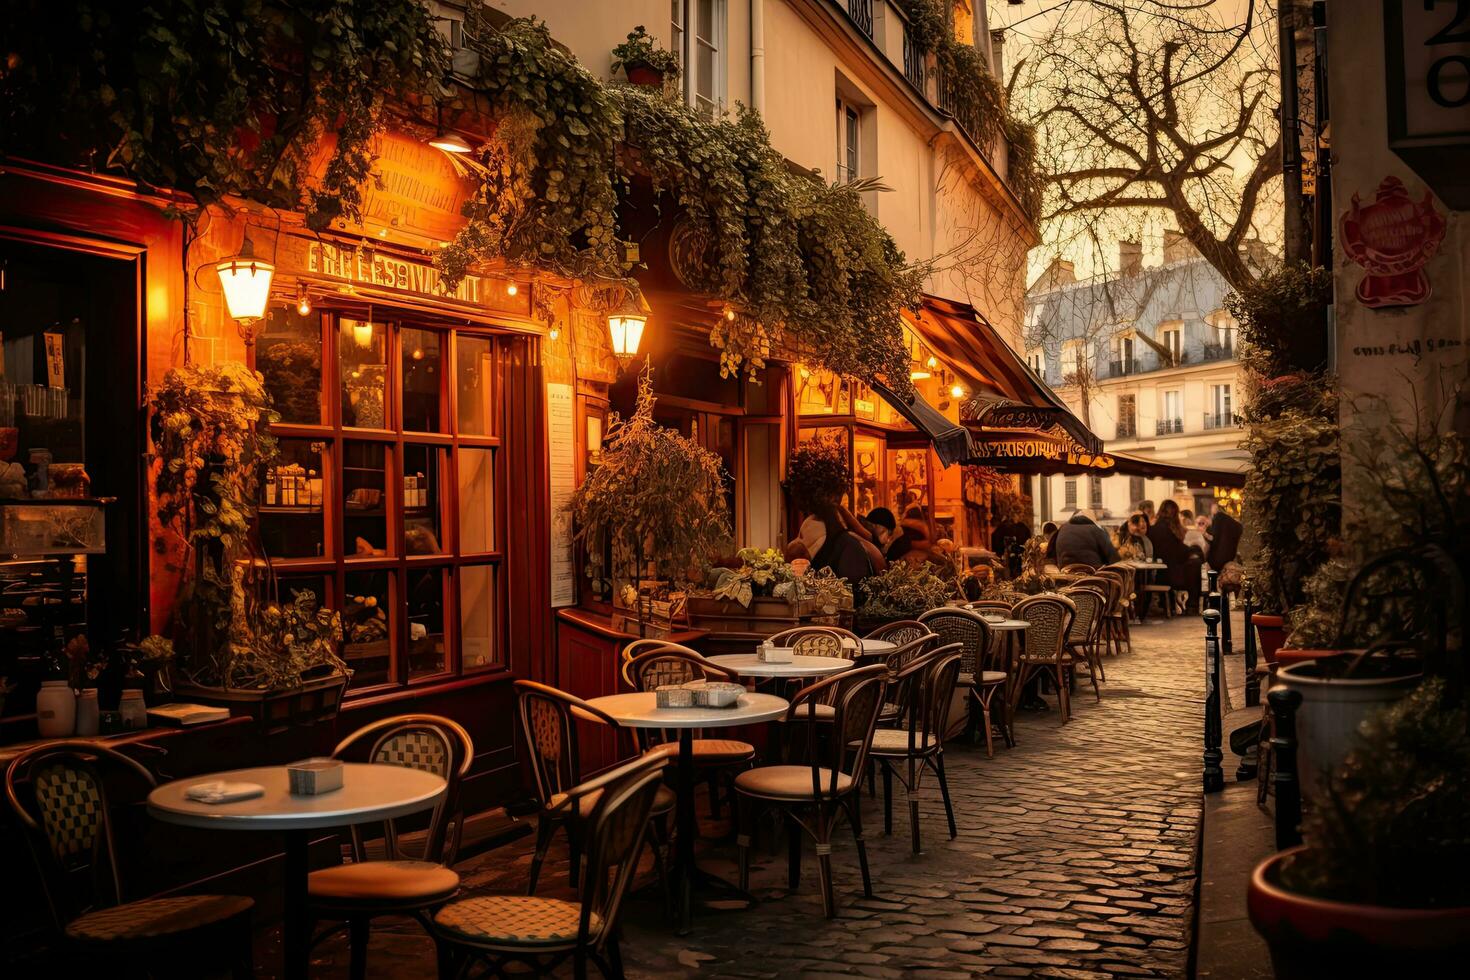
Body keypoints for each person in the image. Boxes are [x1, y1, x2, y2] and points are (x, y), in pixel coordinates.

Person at [1148, 499, 1202, 614]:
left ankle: (1172, 604)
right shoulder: (1166, 529)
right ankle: (1192, 605)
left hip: (1161, 571)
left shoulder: (1155, 528)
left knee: (1194, 563)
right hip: (1169, 573)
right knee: (1195, 565)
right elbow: (1177, 550)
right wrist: (1194, 551)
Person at [1045, 509, 1120, 568]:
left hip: (1066, 572)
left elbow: (1052, 553)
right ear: (1093, 520)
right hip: (1093, 575)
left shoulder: (1063, 528)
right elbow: (1113, 558)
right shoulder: (1096, 530)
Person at [1207, 503, 1243, 569]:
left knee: (1212, 578)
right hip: (1229, 560)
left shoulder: (1218, 518)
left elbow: (1214, 539)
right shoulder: (1236, 525)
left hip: (1216, 560)